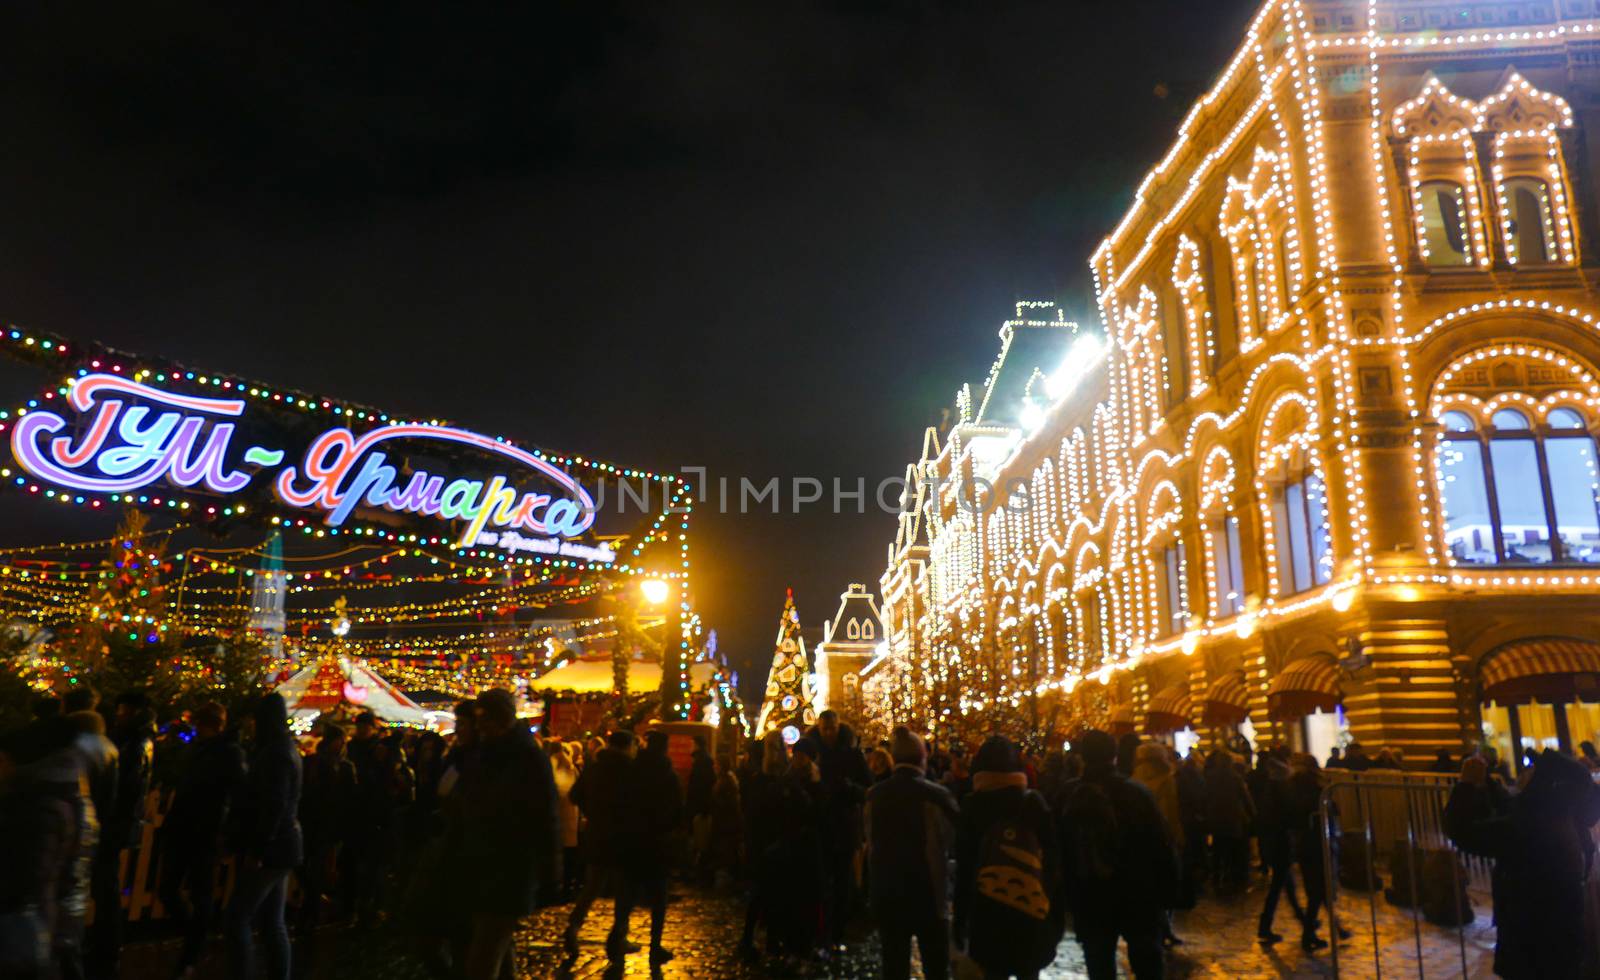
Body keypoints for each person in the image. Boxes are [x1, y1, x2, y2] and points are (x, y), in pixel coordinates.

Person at [1453, 749, 1600, 978]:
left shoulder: (1532, 827)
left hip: (1531, 945)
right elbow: (1511, 807)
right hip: (1559, 944)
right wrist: (1488, 784)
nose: (1526, 773)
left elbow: (1466, 832)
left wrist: (1466, 785)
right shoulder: (1563, 819)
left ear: (1548, 784)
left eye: (1534, 770)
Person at [453, 688, 559, 980]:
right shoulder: (484, 754)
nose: (480, 725)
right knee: (498, 948)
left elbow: (545, 814)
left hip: (511, 865)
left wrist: (550, 868)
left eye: (484, 718)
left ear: (501, 719)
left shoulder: (527, 758)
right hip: (483, 861)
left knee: (485, 954)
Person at [1058, 730, 1175, 980]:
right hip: (1137, 893)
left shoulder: (1067, 795)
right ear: (1114, 755)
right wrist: (1168, 891)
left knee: (1099, 966)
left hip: (1090, 895)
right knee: (1147, 965)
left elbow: (1059, 849)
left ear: (1082, 757)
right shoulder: (1136, 792)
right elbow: (1162, 843)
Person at [955, 735, 1061, 980]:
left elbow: (965, 866)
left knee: (993, 972)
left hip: (987, 911)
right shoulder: (1032, 802)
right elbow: (1053, 861)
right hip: (1029, 907)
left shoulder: (973, 806)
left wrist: (961, 919)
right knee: (1029, 970)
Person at [159, 701, 244, 978]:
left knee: (200, 893)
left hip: (206, 830)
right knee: (169, 889)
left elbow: (236, 794)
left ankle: (192, 951)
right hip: (185, 827)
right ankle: (195, 934)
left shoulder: (229, 753)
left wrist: (226, 833)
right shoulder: (198, 749)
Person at [867, 727, 958, 980]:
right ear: (922, 758)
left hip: (887, 892)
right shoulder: (936, 796)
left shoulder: (874, 796)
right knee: (935, 966)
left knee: (894, 965)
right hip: (927, 892)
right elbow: (952, 841)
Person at [225, 692, 303, 980]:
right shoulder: (283, 749)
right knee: (272, 920)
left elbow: (274, 804)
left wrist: (258, 850)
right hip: (283, 844)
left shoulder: (275, 753)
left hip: (272, 847)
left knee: (237, 918)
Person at [86, 689, 154, 979]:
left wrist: (111, 814)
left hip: (114, 823)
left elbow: (127, 788)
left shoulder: (134, 744)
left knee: (107, 887)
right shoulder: (135, 740)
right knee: (106, 886)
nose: (120, 715)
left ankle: (106, 949)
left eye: (125, 711)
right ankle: (104, 945)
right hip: (118, 822)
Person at [801, 709, 872, 953]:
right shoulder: (812, 754)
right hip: (819, 825)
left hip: (843, 825)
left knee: (842, 883)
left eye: (832, 728)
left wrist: (849, 788)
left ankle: (837, 931)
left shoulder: (852, 754)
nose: (829, 732)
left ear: (839, 727)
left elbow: (867, 788)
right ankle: (820, 932)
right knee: (820, 883)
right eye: (825, 728)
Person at [565, 730, 637, 959]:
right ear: (627, 746)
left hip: (596, 835)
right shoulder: (630, 770)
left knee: (592, 887)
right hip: (622, 838)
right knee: (624, 890)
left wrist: (592, 812)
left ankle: (574, 927)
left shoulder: (595, 768)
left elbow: (575, 795)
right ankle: (617, 937)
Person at [625, 730, 684, 964]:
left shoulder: (635, 770)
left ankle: (619, 936)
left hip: (635, 839)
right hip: (658, 842)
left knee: (629, 893)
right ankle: (655, 945)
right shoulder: (668, 775)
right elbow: (678, 809)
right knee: (659, 899)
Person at [298, 722, 357, 930]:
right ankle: (311, 909)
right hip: (315, 822)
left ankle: (311, 912)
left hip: (327, 825)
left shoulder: (343, 766)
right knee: (308, 868)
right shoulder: (315, 763)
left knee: (316, 869)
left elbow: (349, 799)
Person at [1129, 742, 1184, 947]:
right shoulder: (1166, 779)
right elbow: (1171, 812)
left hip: (1140, 840)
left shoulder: (1135, 778)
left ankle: (1155, 926)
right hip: (1162, 838)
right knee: (1168, 883)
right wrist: (1177, 838)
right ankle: (1166, 927)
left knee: (1148, 886)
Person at [1253, 748, 1303, 944]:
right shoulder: (1280, 789)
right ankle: (1265, 926)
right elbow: (1287, 816)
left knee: (1287, 885)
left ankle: (1303, 919)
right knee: (1279, 886)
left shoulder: (1271, 788)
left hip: (1273, 842)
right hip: (1279, 842)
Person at [1203, 748, 1254, 892]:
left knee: (1218, 849)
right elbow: (1245, 797)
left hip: (1216, 818)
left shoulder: (1210, 776)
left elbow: (1204, 796)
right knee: (1235, 849)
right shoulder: (1235, 777)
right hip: (1233, 817)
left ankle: (1217, 878)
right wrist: (1252, 813)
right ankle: (1235, 879)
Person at [549, 742, 582, 899]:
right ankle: (567, 886)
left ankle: (558, 886)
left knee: (559, 854)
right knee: (569, 853)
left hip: (557, 816)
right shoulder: (571, 767)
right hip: (571, 815)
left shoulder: (552, 765)